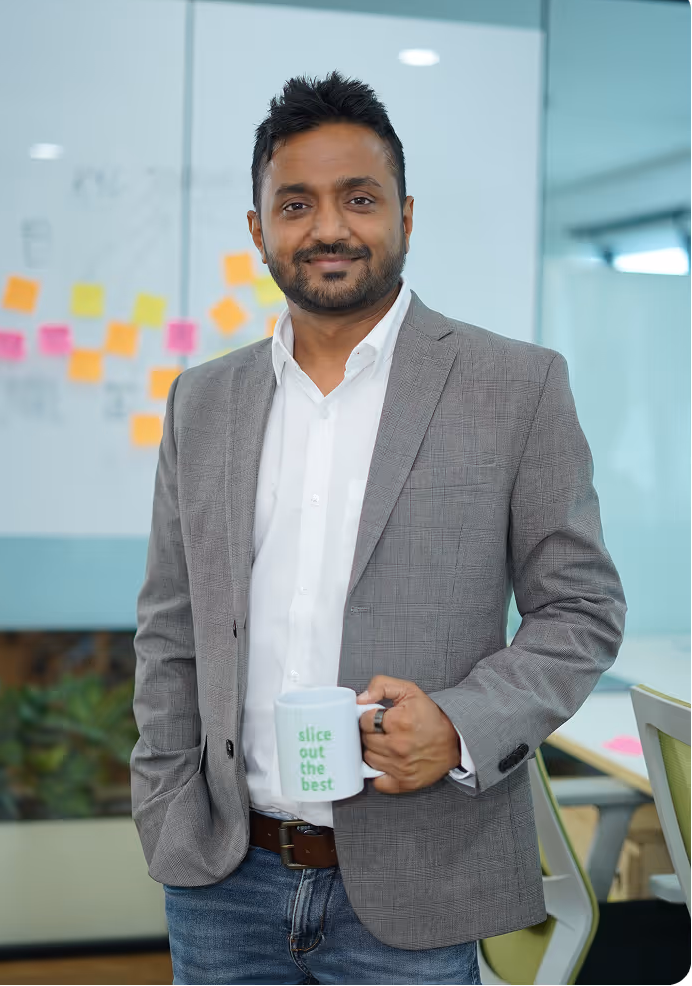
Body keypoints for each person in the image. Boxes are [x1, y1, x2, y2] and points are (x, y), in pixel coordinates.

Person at [130, 72, 626, 986]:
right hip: (222, 878)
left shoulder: (516, 387)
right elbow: (170, 624)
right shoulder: (201, 403)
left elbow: (580, 610)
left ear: (404, 212)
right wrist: (164, 802)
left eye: (358, 198)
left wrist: (462, 724)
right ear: (257, 230)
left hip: (419, 874)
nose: (328, 227)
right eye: (295, 202)